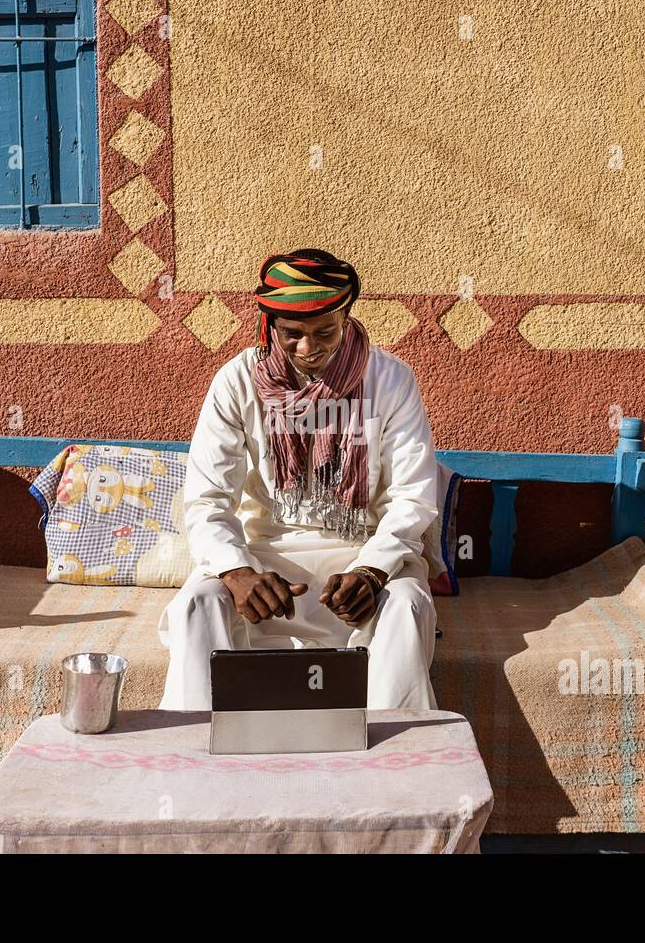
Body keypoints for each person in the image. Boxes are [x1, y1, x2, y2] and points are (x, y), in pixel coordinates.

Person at [158, 248, 440, 711]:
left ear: (346, 318)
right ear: (270, 326)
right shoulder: (237, 382)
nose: (309, 348)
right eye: (293, 334)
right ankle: (196, 751)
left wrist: (371, 572)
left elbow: (412, 497)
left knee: (405, 605)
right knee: (199, 603)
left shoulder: (391, 380)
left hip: (364, 557)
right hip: (265, 558)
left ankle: (392, 755)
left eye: (325, 331)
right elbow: (207, 498)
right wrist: (237, 571)